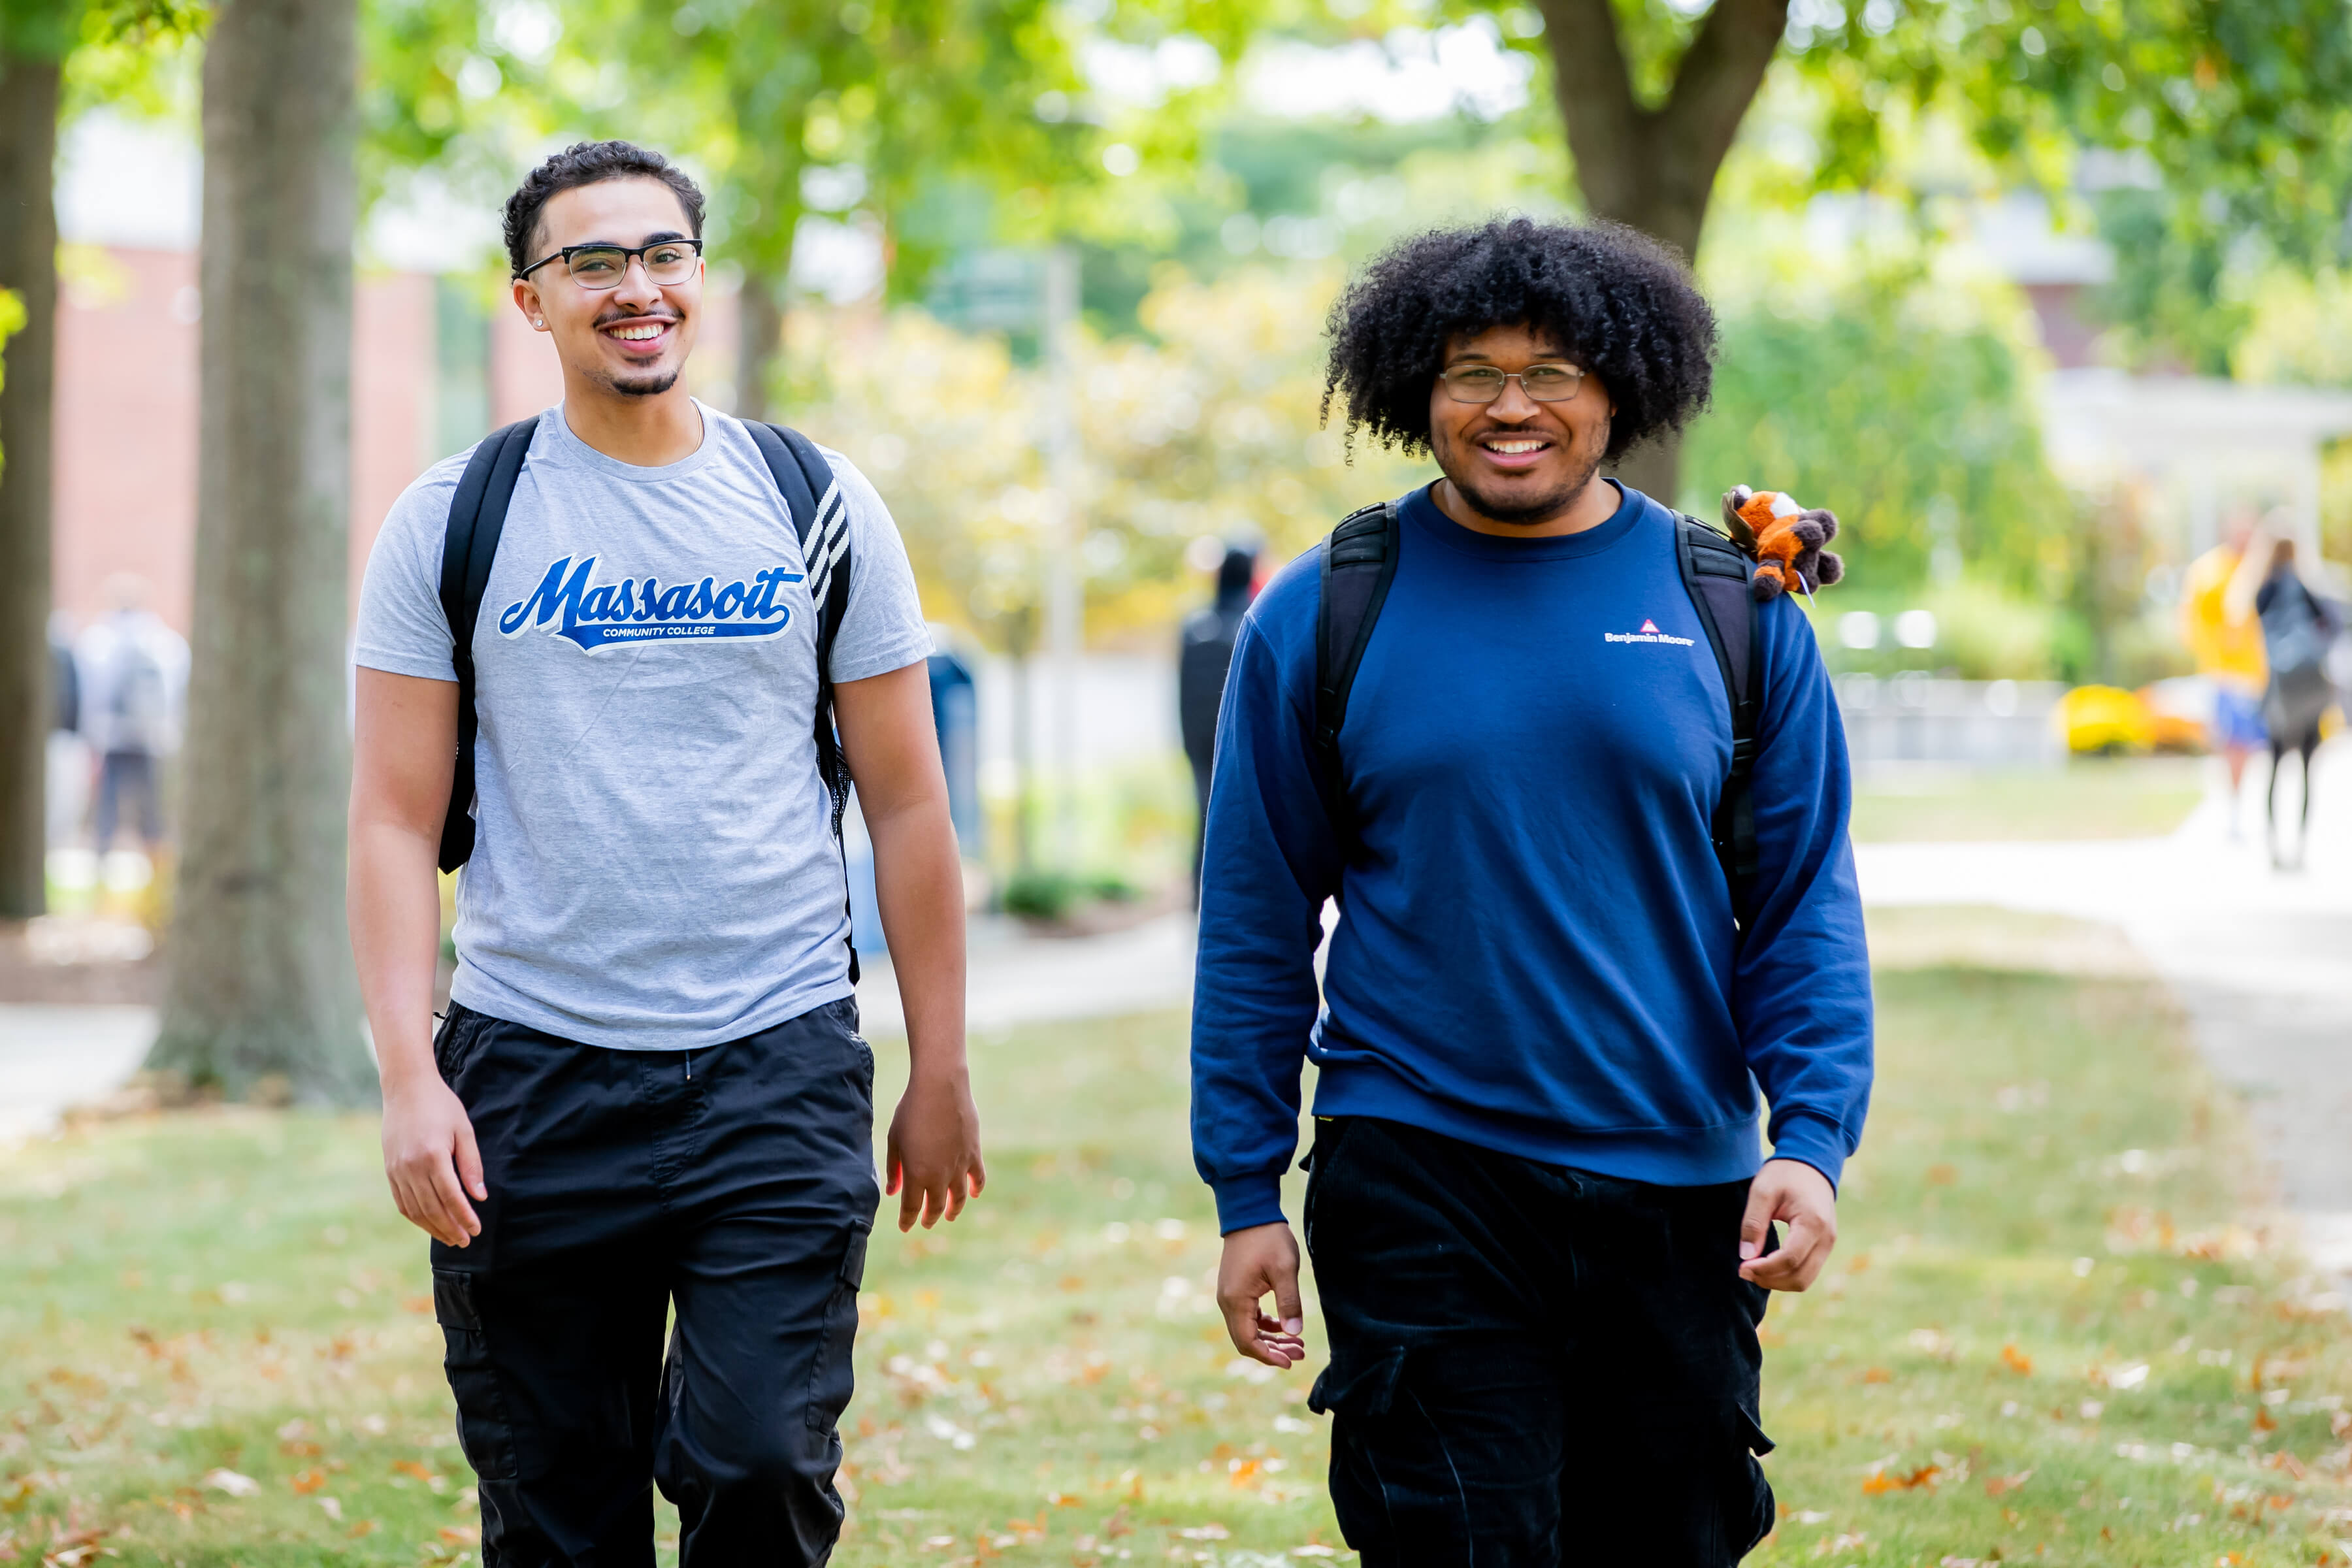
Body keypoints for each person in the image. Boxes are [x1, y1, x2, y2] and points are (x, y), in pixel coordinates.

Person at [1190, 218, 1872, 1566]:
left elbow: (1803, 908)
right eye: (1473, 373)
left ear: (1621, 389)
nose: (1512, 406)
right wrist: (1245, 1189)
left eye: (1553, 371)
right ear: (1415, 390)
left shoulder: (1734, 610)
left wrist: (1810, 1138)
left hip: (1679, 1184)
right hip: (1419, 1170)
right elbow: (1256, 926)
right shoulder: (1325, 610)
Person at [347, 140, 983, 1566]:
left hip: (774, 1062)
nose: (636, 287)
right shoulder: (454, 519)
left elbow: (909, 806)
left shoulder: (815, 501)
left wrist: (939, 1064)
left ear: (699, 275)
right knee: (557, 1514)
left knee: (761, 1463)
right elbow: (391, 817)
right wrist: (406, 1077)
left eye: (663, 254)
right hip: (530, 1075)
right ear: (530, 300)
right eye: (592, 262)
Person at [73, 574, 188, 857]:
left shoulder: (99, 640)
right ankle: (157, 870)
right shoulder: (162, 640)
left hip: (111, 737)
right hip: (150, 739)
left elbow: (91, 692)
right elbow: (176, 689)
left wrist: (90, 735)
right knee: (151, 812)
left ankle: (101, 864)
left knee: (107, 808)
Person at [2253, 532, 2340, 870]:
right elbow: (2333, 626)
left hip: (2279, 692)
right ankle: (2300, 846)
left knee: (2275, 769)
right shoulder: (2306, 588)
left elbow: (2249, 623)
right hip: (2308, 692)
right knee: (2306, 771)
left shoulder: (2265, 590)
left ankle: (2274, 846)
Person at [2181, 508, 2270, 834]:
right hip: (2224, 674)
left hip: (2258, 675)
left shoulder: (2262, 567)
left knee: (2252, 747)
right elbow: (2191, 622)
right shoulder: (2208, 571)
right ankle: (2234, 809)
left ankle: (2247, 807)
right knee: (2232, 744)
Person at [1177, 542, 1257, 897]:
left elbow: (1181, 689)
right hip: (1240, 742)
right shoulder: (1255, 619)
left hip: (1199, 741)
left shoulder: (1194, 626)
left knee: (1206, 816)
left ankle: (1203, 897)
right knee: (1242, 820)